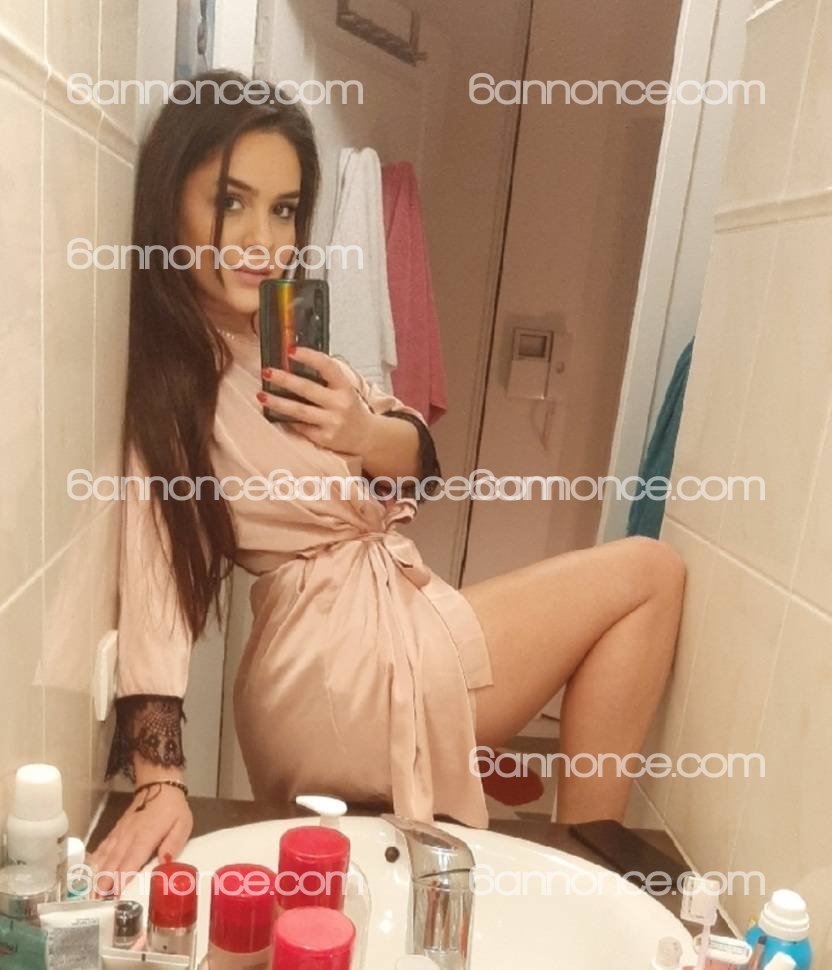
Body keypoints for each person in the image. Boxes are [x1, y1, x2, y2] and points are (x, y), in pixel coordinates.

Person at [89, 70, 685, 894]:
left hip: (352, 648)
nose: (263, 239)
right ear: (170, 203)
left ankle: (549, 834)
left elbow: (418, 461)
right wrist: (160, 778)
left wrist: (364, 431)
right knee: (649, 573)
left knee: (371, 892)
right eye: (231, 202)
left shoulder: (281, 343)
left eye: (285, 209)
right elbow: (155, 570)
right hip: (339, 666)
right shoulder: (177, 380)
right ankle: (589, 872)